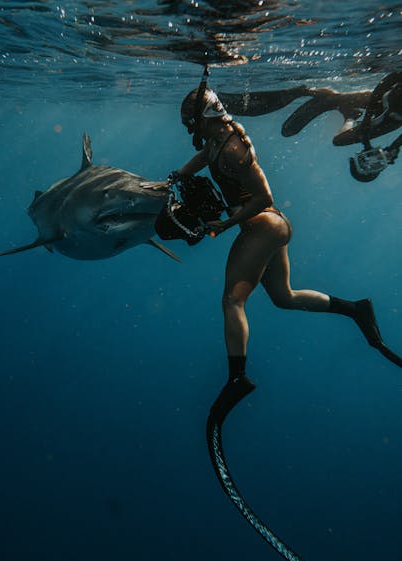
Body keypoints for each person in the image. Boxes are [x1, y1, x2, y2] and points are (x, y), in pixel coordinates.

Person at [169, 68, 401, 420]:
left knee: (232, 300)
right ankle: (355, 309)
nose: (191, 129)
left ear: (205, 117)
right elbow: (206, 156)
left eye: (192, 122)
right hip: (271, 227)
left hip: (263, 227)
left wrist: (227, 222)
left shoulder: (235, 148)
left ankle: (237, 378)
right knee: (284, 297)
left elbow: (264, 196)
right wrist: (180, 174)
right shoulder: (219, 138)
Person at [217, 72, 402, 182]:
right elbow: (389, 79)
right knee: (290, 129)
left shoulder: (383, 121)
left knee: (289, 130)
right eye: (377, 165)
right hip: (376, 107)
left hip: (384, 110)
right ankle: (307, 93)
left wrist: (391, 144)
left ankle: (314, 96)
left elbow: (388, 80)